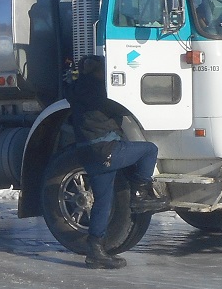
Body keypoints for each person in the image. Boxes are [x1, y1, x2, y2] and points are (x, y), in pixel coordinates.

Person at [66, 56, 168, 268]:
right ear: (100, 72)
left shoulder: (75, 91)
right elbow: (123, 108)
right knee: (149, 150)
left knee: (103, 202)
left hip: (88, 152)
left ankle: (95, 251)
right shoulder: (101, 91)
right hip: (107, 150)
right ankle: (140, 193)